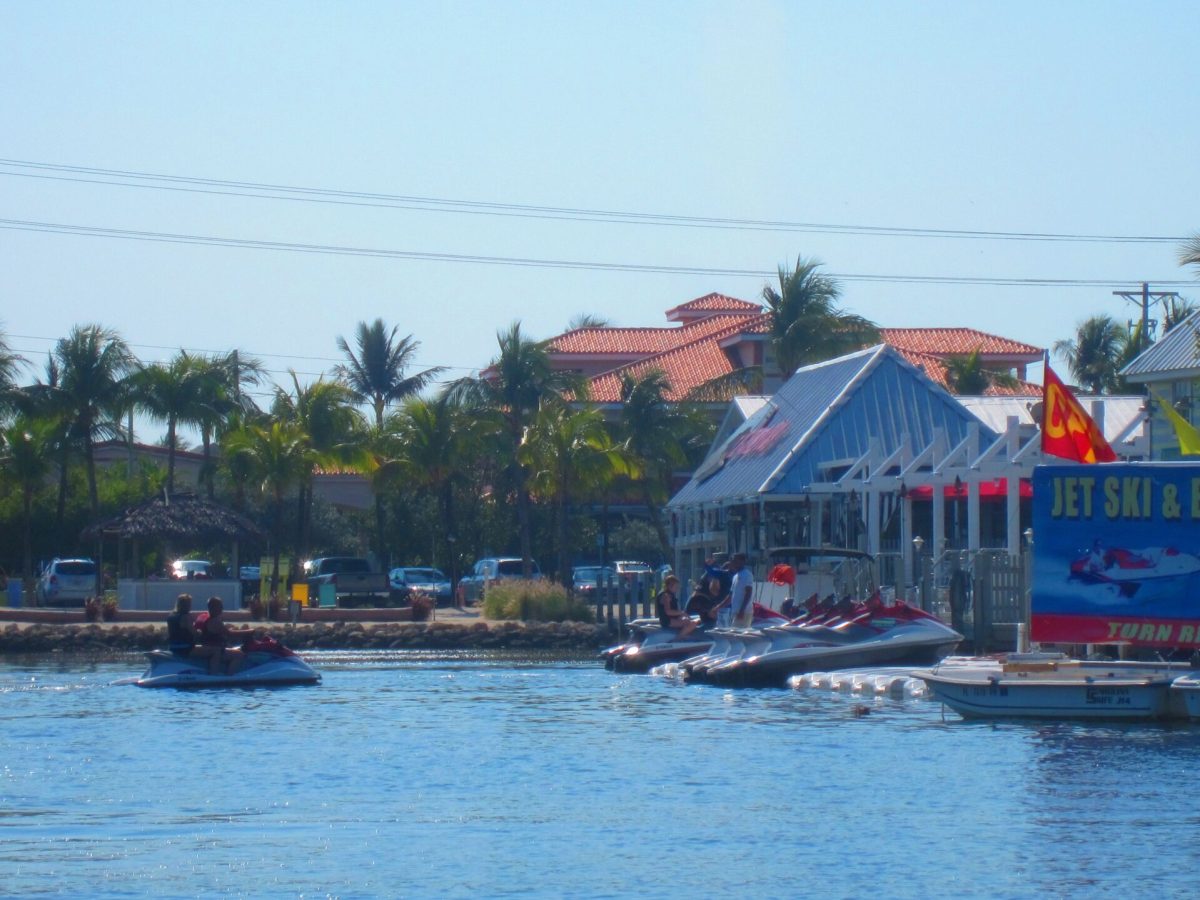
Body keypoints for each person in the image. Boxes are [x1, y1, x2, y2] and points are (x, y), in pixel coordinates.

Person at [195, 596, 256, 675]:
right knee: (239, 654)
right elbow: (230, 634)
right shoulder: (215, 621)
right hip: (216, 649)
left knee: (235, 647)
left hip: (210, 646)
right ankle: (230, 676)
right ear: (214, 607)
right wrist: (249, 631)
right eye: (220, 606)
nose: (222, 608)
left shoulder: (204, 617)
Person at [165, 593, 222, 670]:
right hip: (185, 648)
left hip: (172, 647)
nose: (190, 606)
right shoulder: (185, 617)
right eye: (189, 604)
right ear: (186, 605)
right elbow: (195, 633)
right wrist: (200, 631)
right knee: (216, 651)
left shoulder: (171, 616)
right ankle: (214, 674)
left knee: (204, 648)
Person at [714, 553, 754, 628]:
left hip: (744, 612)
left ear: (742, 561)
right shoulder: (735, 576)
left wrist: (742, 610)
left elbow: (748, 593)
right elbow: (730, 596)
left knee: (737, 634)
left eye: (735, 560)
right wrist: (718, 607)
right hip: (735, 611)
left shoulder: (747, 575)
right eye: (732, 560)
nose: (732, 562)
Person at [655, 575, 696, 639]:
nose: (677, 589)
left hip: (672, 619)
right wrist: (682, 613)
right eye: (676, 587)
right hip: (667, 621)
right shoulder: (666, 596)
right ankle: (679, 637)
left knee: (691, 620)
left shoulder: (669, 595)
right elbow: (668, 612)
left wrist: (682, 615)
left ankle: (682, 634)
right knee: (692, 623)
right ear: (670, 586)